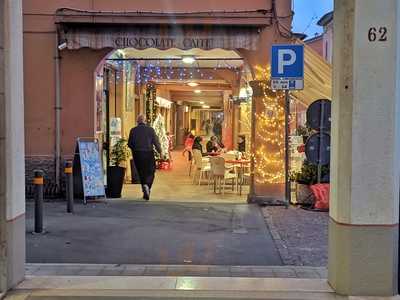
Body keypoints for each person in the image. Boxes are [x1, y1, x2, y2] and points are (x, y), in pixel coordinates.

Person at [128, 114, 162, 201]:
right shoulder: (150, 130)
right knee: (151, 171)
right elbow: (156, 142)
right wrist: (160, 151)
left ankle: (145, 190)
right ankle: (147, 185)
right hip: (148, 153)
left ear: (137, 121)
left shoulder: (133, 130)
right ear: (145, 121)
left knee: (141, 172)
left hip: (137, 154)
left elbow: (130, 144)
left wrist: (135, 149)